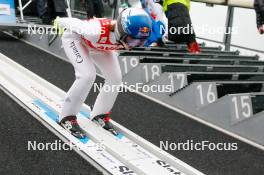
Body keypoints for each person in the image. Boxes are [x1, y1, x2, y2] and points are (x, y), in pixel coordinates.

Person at [54, 8, 152, 138]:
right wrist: (59, 21)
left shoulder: (125, 35)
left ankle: (99, 113)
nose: (134, 45)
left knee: (115, 78)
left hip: (100, 46)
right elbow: (73, 22)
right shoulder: (94, 30)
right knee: (87, 75)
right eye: (133, 40)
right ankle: (66, 117)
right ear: (121, 31)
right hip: (76, 39)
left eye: (141, 41)